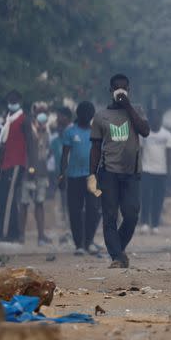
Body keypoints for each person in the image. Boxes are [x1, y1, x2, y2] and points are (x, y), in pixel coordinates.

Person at [90, 74, 150, 268]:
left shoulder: (137, 110)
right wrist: (92, 174)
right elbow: (96, 147)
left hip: (131, 173)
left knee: (131, 214)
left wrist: (128, 107)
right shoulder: (100, 116)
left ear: (129, 90)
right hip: (108, 173)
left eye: (124, 87)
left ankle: (118, 249)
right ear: (110, 91)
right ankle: (117, 256)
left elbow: (145, 131)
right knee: (109, 216)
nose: (120, 91)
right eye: (117, 87)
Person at [60, 102, 101, 255]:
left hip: (93, 177)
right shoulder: (70, 132)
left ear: (92, 116)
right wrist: (61, 174)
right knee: (75, 210)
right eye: (83, 113)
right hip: (74, 177)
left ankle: (89, 241)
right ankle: (79, 245)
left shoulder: (96, 132)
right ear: (78, 114)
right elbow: (64, 156)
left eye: (89, 114)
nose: (86, 116)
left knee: (94, 209)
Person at [0, 90, 33, 242]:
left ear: (19, 101)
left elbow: (30, 144)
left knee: (9, 197)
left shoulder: (23, 119)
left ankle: (7, 234)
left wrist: (31, 166)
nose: (11, 102)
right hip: (5, 163)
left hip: (17, 163)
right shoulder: (7, 120)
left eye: (13, 100)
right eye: (9, 100)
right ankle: (9, 231)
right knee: (5, 198)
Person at [19, 103, 52, 246]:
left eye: (45, 112)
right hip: (27, 172)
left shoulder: (46, 130)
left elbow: (47, 150)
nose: (42, 114)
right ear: (34, 112)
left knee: (40, 203)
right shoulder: (28, 128)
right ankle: (21, 236)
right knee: (24, 203)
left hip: (42, 172)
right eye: (40, 111)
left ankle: (41, 236)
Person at [139, 110, 171, 234]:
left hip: (161, 172)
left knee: (158, 199)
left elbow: (169, 156)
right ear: (149, 120)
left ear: (161, 120)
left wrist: (168, 174)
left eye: (157, 118)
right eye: (152, 118)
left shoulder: (167, 135)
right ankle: (144, 223)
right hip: (146, 170)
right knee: (145, 198)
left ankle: (155, 224)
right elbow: (140, 152)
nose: (155, 120)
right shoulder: (144, 134)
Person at [50, 106, 73, 229]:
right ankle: (66, 224)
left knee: (71, 199)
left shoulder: (72, 132)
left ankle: (71, 224)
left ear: (66, 117)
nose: (57, 119)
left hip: (73, 172)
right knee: (63, 198)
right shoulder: (56, 137)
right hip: (61, 172)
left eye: (59, 116)